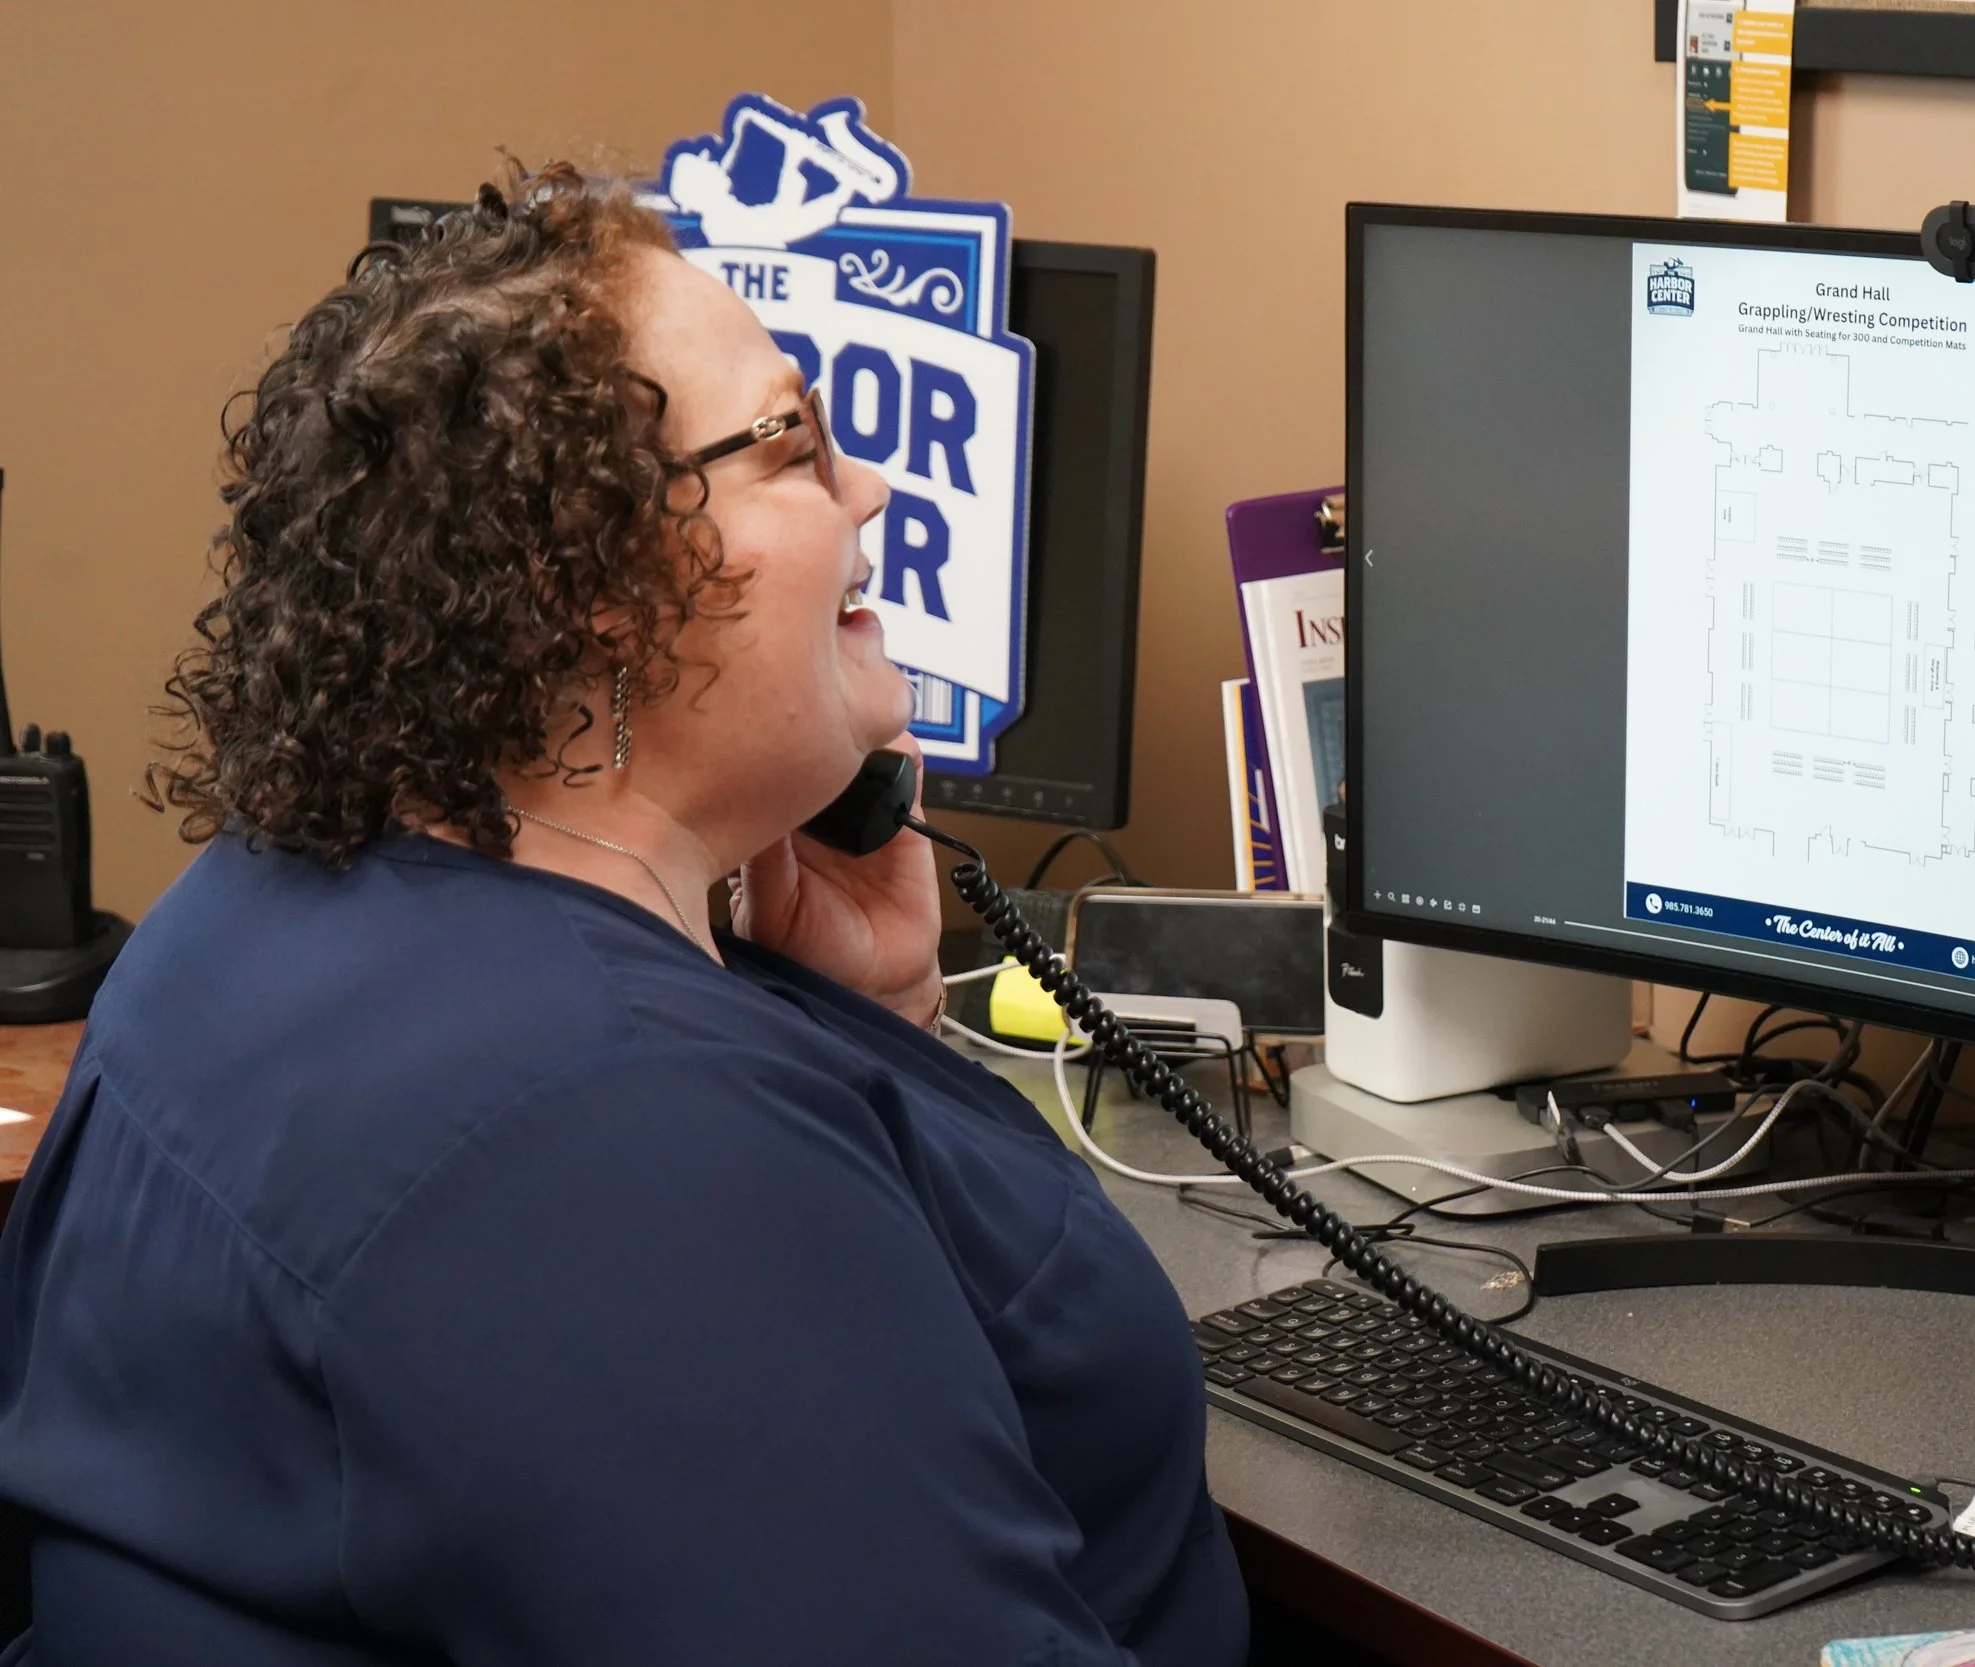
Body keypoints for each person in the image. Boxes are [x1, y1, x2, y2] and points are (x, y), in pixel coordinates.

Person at [0, 165, 1246, 1666]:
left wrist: (880, 1012)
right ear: (581, 582)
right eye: (794, 444)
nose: (869, 487)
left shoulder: (251, 902)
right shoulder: (617, 1136)